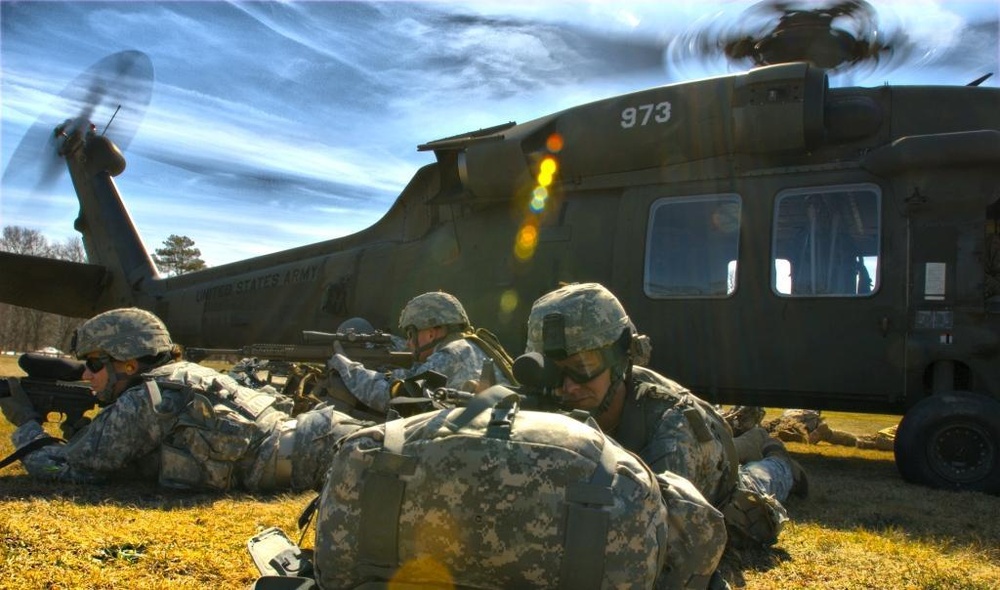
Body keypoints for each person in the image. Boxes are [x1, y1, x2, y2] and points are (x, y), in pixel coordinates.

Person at [524, 282, 807, 550]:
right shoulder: (553, 403)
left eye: (583, 366)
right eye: (554, 371)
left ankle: (779, 460)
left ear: (620, 359)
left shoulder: (672, 430)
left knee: (757, 488)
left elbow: (661, 537)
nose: (569, 386)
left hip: (719, 482)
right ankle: (747, 440)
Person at [0, 308, 370, 491]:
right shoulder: (181, 376)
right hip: (324, 437)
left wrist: (27, 425)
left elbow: (66, 470)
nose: (86, 374)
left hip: (326, 457)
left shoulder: (145, 400)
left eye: (94, 363)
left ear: (128, 363)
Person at [326, 291, 514, 415]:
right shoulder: (472, 345)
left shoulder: (450, 354)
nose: (408, 342)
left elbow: (394, 398)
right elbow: (416, 377)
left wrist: (348, 367)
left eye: (411, 334)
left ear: (431, 332)